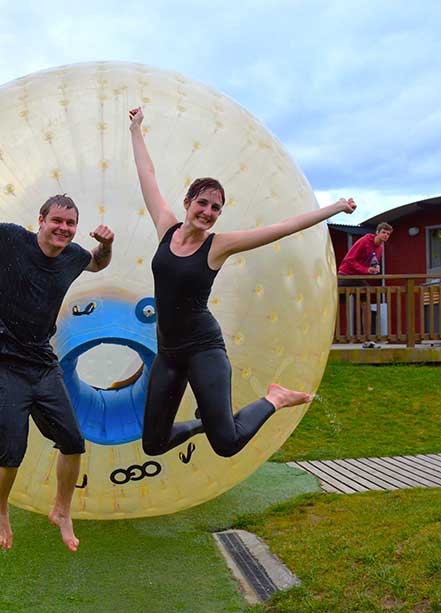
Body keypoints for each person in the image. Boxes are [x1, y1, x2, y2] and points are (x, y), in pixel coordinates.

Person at [128, 107, 356, 458]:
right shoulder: (166, 228)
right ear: (187, 202)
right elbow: (148, 175)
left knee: (228, 443)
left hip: (205, 349)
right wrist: (136, 128)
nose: (207, 211)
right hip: (169, 354)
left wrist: (335, 207)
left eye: (216, 207)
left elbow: (285, 227)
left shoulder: (218, 246)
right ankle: (203, 423)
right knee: (153, 443)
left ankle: (274, 398)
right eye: (202, 202)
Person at [0, 163, 115, 552]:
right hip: (3, 363)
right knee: (11, 448)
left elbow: (98, 262)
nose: (64, 229)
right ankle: (1, 508)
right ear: (41, 220)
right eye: (57, 220)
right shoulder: (11, 239)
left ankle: (62, 510)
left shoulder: (72, 256)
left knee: (72, 440)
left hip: (42, 363)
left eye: (71, 223)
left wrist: (105, 246)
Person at [337, 223, 392, 347]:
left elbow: (372, 262)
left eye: (388, 234)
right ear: (377, 232)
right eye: (383, 232)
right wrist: (365, 270)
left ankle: (366, 337)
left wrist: (375, 267)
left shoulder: (380, 248)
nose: (386, 236)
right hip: (346, 275)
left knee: (366, 301)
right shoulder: (363, 241)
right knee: (334, 304)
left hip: (359, 278)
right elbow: (349, 260)